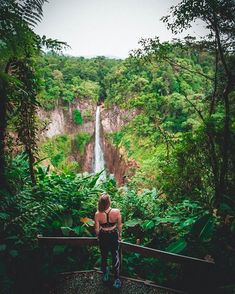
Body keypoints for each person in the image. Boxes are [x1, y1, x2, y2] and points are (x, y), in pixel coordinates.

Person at [94, 193, 122, 289]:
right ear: (109, 202)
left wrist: (98, 237)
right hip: (113, 235)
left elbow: (97, 229)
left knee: (104, 255)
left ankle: (105, 275)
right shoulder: (116, 211)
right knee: (115, 256)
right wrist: (120, 235)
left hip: (103, 236)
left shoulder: (98, 214)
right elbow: (119, 225)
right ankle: (117, 279)